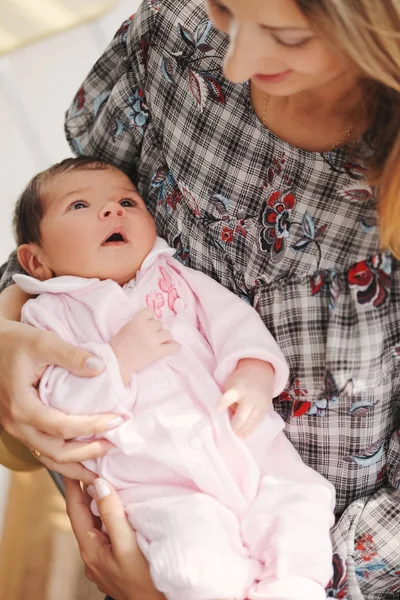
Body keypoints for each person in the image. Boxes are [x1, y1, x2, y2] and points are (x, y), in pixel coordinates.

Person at [0, 0, 399, 598]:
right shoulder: (178, 34)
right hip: (144, 501)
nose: (234, 63)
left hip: (308, 528)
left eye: (286, 37)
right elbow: (64, 222)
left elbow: (233, 325)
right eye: (224, 10)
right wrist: (7, 337)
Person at [11, 155, 334, 600]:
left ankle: (293, 587)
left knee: (302, 505)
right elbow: (58, 404)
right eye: (80, 206)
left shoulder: (174, 275)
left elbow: (233, 322)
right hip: (157, 484)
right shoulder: (47, 315)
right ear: (36, 260)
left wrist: (254, 372)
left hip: (248, 451)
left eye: (127, 201)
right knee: (194, 567)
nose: (113, 211)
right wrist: (116, 359)